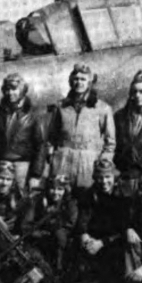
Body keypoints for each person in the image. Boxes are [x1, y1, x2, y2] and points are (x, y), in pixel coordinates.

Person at [0, 73, 46, 196]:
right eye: (7, 89)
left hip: (22, 166)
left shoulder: (34, 115)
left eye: (14, 89)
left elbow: (41, 145)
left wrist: (36, 175)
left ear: (22, 90)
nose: (10, 93)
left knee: (20, 199)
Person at [48, 63, 116, 191]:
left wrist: (102, 163)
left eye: (83, 79)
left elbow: (110, 142)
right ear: (71, 81)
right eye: (76, 79)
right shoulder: (61, 107)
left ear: (89, 82)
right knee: (62, 199)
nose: (79, 83)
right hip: (63, 162)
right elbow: (51, 136)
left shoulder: (102, 108)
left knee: (85, 199)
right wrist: (52, 158)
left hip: (89, 163)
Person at [72, 160, 129, 283]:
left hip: (114, 240)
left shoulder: (123, 195)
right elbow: (83, 218)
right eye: (100, 177)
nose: (104, 181)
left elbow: (123, 228)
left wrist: (102, 243)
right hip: (94, 237)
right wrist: (84, 236)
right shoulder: (90, 193)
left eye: (108, 177)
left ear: (114, 177)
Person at [21, 174, 79, 272]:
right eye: (52, 188)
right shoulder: (37, 201)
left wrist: (52, 223)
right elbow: (25, 225)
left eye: (60, 189)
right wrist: (39, 233)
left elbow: (70, 226)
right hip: (39, 239)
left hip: (60, 243)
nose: (56, 192)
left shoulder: (70, 204)